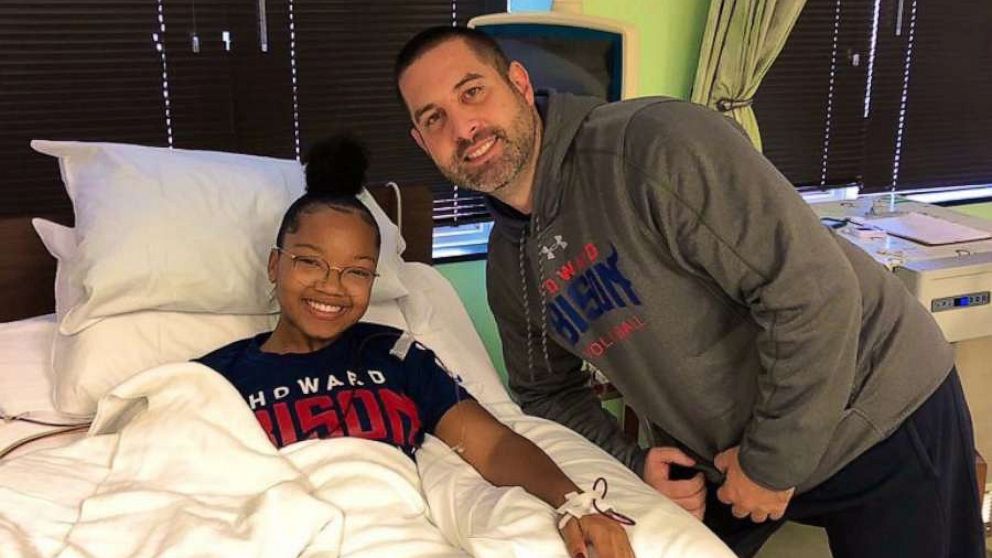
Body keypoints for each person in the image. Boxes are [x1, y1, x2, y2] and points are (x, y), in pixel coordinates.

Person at [392, 25, 986, 558]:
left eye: (472, 92)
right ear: (423, 143)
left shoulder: (653, 147)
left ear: (519, 83)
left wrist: (770, 464)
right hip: (729, 457)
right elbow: (545, 392)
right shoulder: (512, 261)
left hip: (877, 411)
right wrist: (635, 464)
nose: (463, 128)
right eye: (434, 118)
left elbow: (814, 292)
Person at [196, 135, 635, 558]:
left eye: (357, 271)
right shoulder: (217, 378)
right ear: (276, 265)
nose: (331, 286)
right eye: (310, 262)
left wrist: (573, 502)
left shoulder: (394, 355)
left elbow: (492, 445)